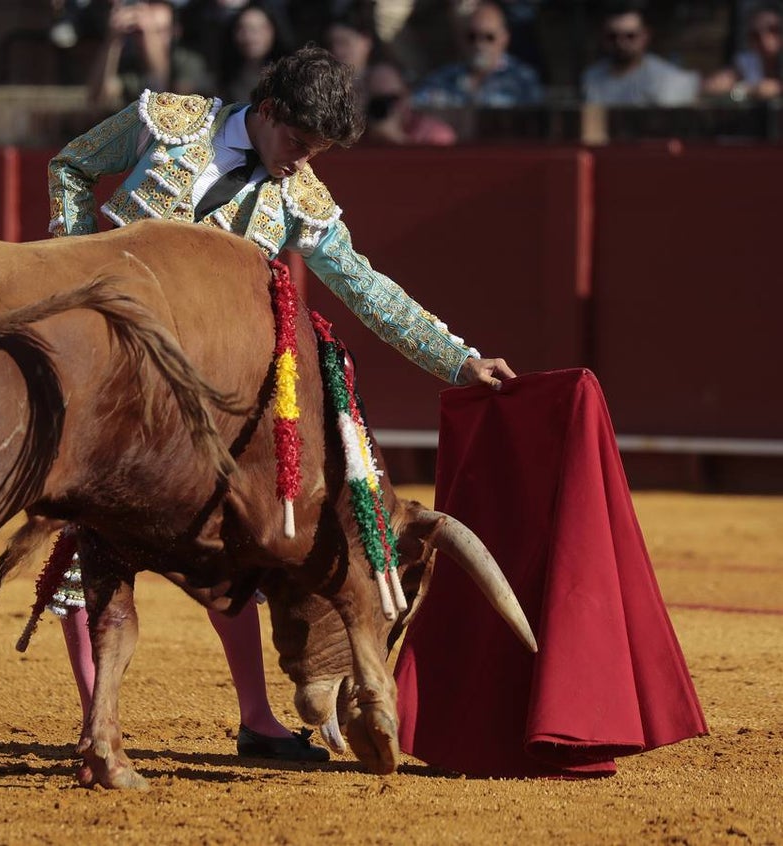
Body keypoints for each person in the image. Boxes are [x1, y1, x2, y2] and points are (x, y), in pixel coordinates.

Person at [47, 45, 514, 762]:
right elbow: (71, 165)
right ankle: (93, 725)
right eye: (298, 143)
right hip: (108, 362)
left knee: (231, 552)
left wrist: (456, 358)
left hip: (200, 399)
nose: (302, 162)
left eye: (318, 152)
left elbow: (367, 287)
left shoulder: (301, 198)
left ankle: (258, 720)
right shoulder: (165, 123)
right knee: (86, 547)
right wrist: (74, 262)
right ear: (266, 112)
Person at [411, 0, 543, 107]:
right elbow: (417, 109)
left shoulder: (523, 81)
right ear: (461, 39)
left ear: (504, 38)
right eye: (472, 37)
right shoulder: (441, 79)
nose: (480, 44)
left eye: (489, 37)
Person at [86, 0, 213, 109]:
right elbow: (98, 98)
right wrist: (113, 40)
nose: (147, 39)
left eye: (159, 31)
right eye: (140, 32)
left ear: (176, 32)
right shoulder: (132, 62)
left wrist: (149, 33)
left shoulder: (189, 61)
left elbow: (167, 103)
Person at [581, 1, 700, 106]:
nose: (621, 43)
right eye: (613, 37)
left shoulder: (667, 79)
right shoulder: (592, 77)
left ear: (645, 36)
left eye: (630, 36)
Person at [703, 0, 783, 101]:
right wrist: (751, 90)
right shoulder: (746, 62)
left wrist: (778, 88)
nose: (764, 40)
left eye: (773, 30)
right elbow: (712, 87)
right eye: (755, 35)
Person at [363, 59, 457, 145]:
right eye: (376, 100)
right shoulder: (357, 133)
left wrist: (395, 137)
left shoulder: (433, 133)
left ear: (406, 96)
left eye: (391, 99)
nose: (383, 106)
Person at [215, 1, 290, 103]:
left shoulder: (288, 75)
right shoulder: (225, 77)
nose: (249, 37)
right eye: (242, 29)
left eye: (257, 29)